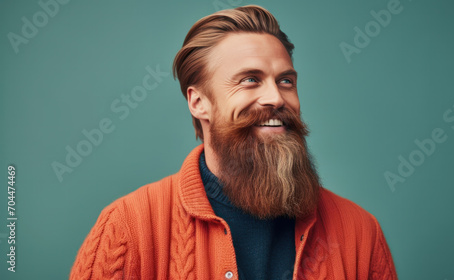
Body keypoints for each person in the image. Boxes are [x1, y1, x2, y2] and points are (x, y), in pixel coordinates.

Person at [70, 5, 397, 280]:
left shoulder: (360, 233)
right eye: (250, 80)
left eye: (286, 81)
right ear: (199, 103)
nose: (276, 98)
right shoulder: (127, 229)